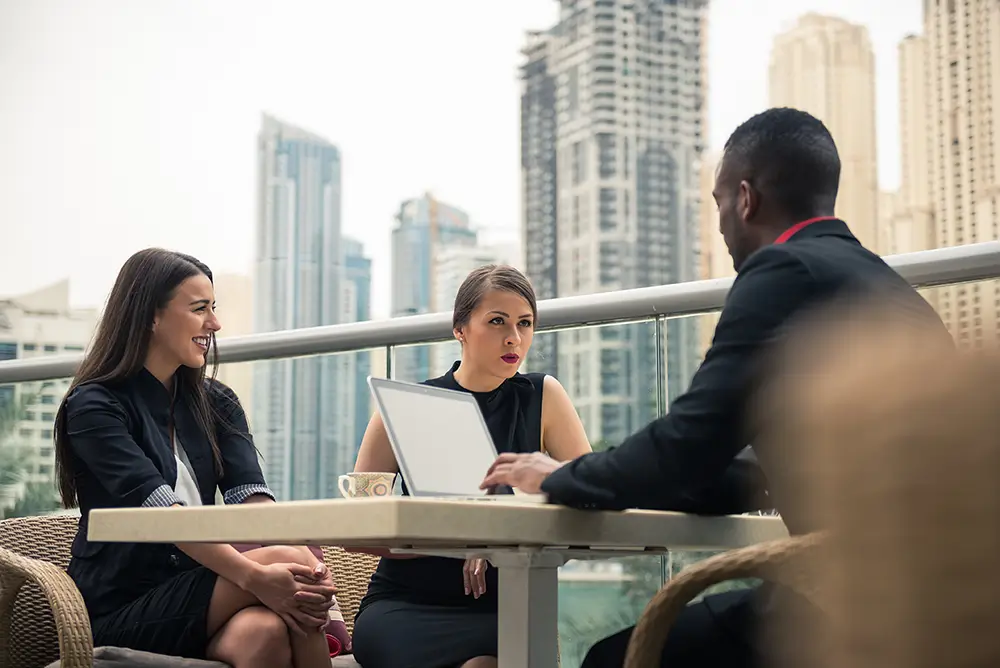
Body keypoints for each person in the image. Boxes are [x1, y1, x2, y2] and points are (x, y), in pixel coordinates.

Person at [480, 108, 951, 667]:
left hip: (845, 605)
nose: (721, 223)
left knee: (611, 660)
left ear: (746, 199)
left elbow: (686, 443)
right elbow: (741, 472)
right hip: (935, 598)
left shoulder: (782, 273)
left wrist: (562, 474)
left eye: (719, 202)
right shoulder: (894, 292)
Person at [55, 248, 337, 668]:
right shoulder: (94, 407)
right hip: (121, 606)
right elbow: (164, 516)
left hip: (197, 589)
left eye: (214, 308)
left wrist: (312, 566)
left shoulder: (217, 402)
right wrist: (257, 576)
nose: (215, 323)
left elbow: (255, 504)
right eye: (200, 309)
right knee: (292, 568)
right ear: (151, 316)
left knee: (268, 631)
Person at [350, 264, 593, 668]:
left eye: (525, 323)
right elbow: (356, 531)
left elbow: (590, 492)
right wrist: (461, 540)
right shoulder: (405, 406)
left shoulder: (543, 396)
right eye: (497, 321)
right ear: (459, 328)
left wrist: (498, 536)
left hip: (502, 610)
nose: (514, 337)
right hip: (403, 609)